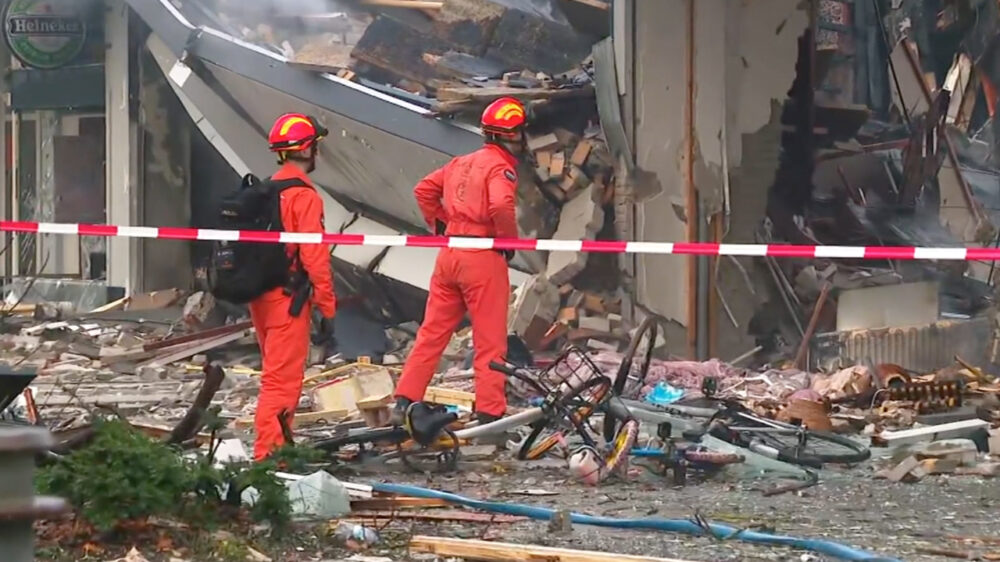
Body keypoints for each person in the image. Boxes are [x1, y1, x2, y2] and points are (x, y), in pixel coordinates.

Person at [391, 97, 527, 427]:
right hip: (481, 256)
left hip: (449, 254)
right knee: (490, 341)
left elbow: (424, 190)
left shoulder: (460, 163)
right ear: (510, 136)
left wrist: (439, 224)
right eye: (520, 134)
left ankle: (404, 399)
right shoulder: (500, 167)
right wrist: (507, 240)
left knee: (432, 333)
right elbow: (499, 206)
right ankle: (490, 413)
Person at [251, 113, 337, 461]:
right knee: (281, 382)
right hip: (288, 300)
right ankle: (269, 458)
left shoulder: (267, 190)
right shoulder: (303, 196)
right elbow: (314, 256)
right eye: (315, 145)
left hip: (261, 296)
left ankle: (279, 447)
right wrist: (328, 308)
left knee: (274, 375)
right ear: (307, 148)